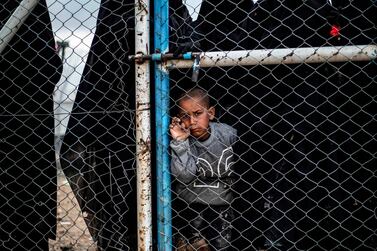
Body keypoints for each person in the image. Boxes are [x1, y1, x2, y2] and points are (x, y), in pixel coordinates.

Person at [169, 88, 237, 250]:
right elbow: (184, 176)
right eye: (185, 116)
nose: (192, 121)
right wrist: (180, 142)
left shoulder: (228, 134)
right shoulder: (182, 140)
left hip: (223, 206)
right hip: (188, 206)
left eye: (198, 113)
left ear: (211, 113)